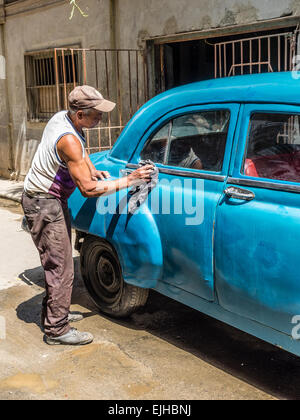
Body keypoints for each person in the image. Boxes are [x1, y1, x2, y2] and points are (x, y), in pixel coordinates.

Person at [22, 85, 154, 346]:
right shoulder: (68, 139)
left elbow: (79, 155)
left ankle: (55, 315)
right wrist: (130, 179)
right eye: (96, 115)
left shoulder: (64, 118)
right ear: (80, 114)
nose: (101, 119)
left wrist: (91, 168)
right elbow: (88, 189)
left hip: (46, 200)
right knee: (61, 267)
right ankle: (57, 330)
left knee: (57, 263)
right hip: (44, 203)